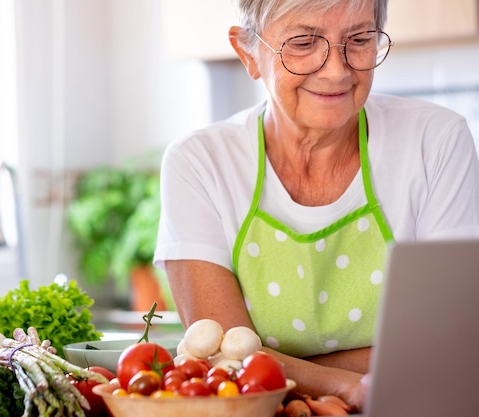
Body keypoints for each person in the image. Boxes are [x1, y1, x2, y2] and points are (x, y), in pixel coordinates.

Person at [153, 0, 479, 411]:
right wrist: (347, 385)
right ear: (248, 54)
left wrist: (287, 371)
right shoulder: (200, 162)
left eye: (359, 39)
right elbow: (221, 353)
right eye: (304, 42)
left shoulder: (435, 140)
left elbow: (449, 344)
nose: (337, 70)